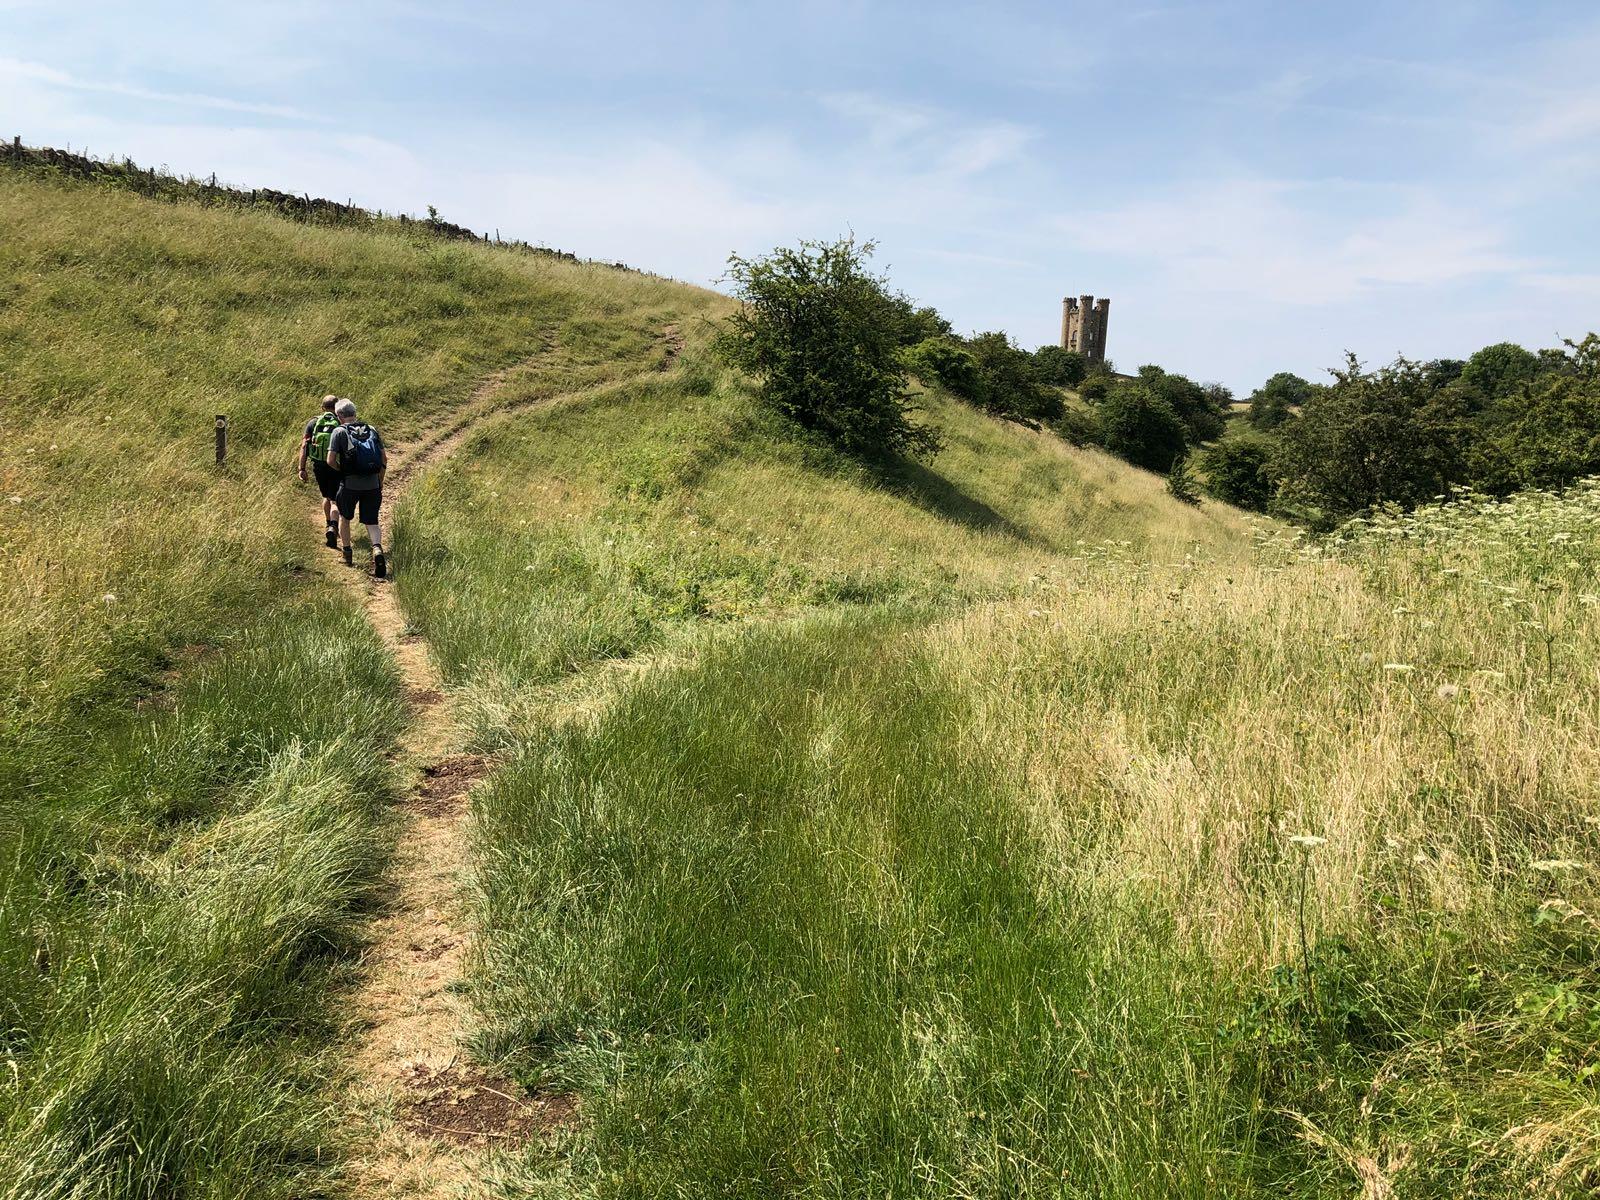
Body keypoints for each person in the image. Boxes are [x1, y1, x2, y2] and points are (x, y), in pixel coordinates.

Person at [325, 398, 389, 579]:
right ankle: (377, 549)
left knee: (345, 517)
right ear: (355, 413)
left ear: (339, 416)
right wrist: (380, 481)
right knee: (372, 521)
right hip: (372, 484)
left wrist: (343, 471)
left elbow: (330, 460)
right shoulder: (372, 429)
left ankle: (347, 553)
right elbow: (384, 459)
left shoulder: (339, 431)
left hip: (350, 484)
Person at [297, 395, 343, 548]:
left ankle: (328, 524)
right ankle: (334, 526)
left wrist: (302, 468)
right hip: (336, 464)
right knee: (335, 499)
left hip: (318, 465)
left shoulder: (313, 423)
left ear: (322, 407)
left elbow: (304, 447)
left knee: (326, 496)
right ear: (336, 408)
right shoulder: (340, 422)